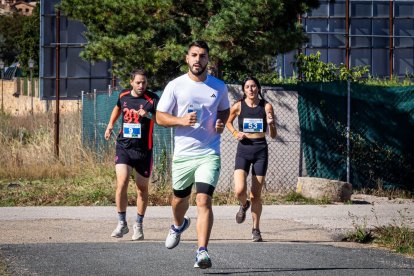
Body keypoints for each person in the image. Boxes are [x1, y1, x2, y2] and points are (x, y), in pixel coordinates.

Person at [156, 40, 230, 269]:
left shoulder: (219, 86)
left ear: (208, 60)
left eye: (203, 56)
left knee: (203, 199)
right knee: (179, 199)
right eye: (194, 55)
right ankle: (178, 225)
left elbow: (225, 110)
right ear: (187, 58)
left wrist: (221, 123)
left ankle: (202, 251)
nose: (198, 60)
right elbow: (160, 116)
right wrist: (179, 120)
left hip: (209, 152)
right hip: (183, 154)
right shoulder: (175, 85)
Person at [104, 69, 159, 241]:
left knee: (142, 189)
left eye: (144, 82)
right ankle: (121, 223)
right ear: (131, 82)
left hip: (143, 150)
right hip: (124, 146)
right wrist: (110, 124)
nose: (141, 85)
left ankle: (139, 224)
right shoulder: (123, 95)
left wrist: (148, 115)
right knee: (122, 182)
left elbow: (162, 120)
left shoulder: (153, 99)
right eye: (138, 82)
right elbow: (117, 108)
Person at [225, 76, 277, 242]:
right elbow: (228, 122)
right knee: (239, 190)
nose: (251, 89)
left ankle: (256, 229)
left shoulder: (266, 106)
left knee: (256, 194)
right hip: (244, 150)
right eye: (247, 87)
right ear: (244, 90)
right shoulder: (238, 106)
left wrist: (271, 124)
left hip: (260, 149)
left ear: (258, 88)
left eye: (253, 86)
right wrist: (235, 133)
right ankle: (244, 204)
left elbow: (274, 136)